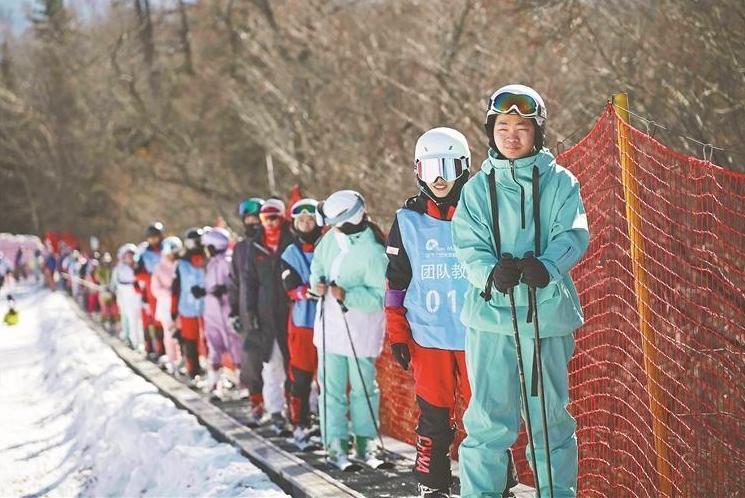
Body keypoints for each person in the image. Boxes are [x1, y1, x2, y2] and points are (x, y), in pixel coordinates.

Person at [452, 84, 589, 498]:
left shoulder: (562, 183)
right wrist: (490, 273)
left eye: (522, 128)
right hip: (491, 317)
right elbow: (467, 245)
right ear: (491, 131)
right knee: (488, 422)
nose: (511, 136)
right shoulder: (477, 189)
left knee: (549, 422)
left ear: (537, 132)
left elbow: (573, 233)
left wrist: (547, 267)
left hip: (546, 316)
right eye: (503, 127)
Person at [385, 127, 518, 497]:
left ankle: (496, 485)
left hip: (478, 332)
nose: (439, 178)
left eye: (447, 167)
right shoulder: (407, 220)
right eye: (429, 169)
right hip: (428, 335)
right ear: (418, 171)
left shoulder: (482, 212)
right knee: (434, 416)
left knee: (486, 415)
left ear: (463, 167)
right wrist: (397, 332)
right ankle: (433, 485)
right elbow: (396, 283)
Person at [310, 190, 387, 469]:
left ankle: (366, 441)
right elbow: (316, 267)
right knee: (331, 390)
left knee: (363, 390)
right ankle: (334, 443)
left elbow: (380, 297)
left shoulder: (374, 252)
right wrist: (316, 285)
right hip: (329, 329)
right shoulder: (329, 239)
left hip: (360, 331)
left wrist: (348, 295)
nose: (333, 227)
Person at [243, 198, 296, 434]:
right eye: (265, 218)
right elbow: (250, 282)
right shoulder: (256, 245)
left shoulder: (291, 240)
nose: (269, 223)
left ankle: (300, 410)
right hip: (266, 314)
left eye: (274, 217)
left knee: (296, 365)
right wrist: (250, 312)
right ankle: (275, 410)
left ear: (282, 218)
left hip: (290, 311)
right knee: (272, 364)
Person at [280, 198, 323, 448]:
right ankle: (299, 423)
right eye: (301, 220)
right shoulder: (290, 253)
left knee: (328, 377)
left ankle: (328, 425)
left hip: (328, 321)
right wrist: (306, 291)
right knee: (302, 375)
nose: (306, 224)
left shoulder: (328, 245)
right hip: (303, 321)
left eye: (310, 220)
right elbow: (290, 286)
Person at [228, 197, 267, 423]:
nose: (252, 223)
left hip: (272, 310)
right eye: (248, 219)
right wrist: (233, 311)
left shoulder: (272, 244)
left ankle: (281, 405)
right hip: (247, 313)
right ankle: (256, 401)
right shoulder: (240, 249)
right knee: (251, 359)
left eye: (256, 218)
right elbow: (234, 282)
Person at [199, 227, 243, 396]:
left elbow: (234, 283)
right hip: (211, 311)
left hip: (225, 310)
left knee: (234, 344)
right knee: (213, 345)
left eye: (207, 246)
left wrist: (224, 289)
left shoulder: (227, 261)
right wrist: (203, 291)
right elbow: (209, 284)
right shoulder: (211, 263)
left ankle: (242, 381)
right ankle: (214, 383)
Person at [173, 228, 207, 383]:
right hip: (187, 306)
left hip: (207, 305)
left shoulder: (207, 258)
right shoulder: (182, 262)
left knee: (208, 338)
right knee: (190, 339)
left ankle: (211, 369)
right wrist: (173, 310)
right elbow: (176, 287)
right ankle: (193, 369)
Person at [151, 236, 183, 374]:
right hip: (166, 305)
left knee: (182, 334)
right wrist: (169, 292)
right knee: (170, 334)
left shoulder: (181, 264)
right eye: (171, 253)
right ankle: (172, 360)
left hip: (180, 305)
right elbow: (155, 289)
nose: (173, 256)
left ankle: (183, 360)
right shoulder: (159, 268)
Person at [135, 222, 166, 360]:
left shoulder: (166, 250)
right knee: (155, 320)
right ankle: (158, 349)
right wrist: (152, 278)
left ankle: (171, 352)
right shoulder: (144, 255)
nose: (153, 240)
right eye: (150, 237)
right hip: (152, 290)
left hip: (167, 289)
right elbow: (137, 273)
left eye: (155, 237)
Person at [112, 243, 145, 351]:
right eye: (128, 256)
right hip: (127, 298)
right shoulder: (120, 268)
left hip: (138, 297)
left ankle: (142, 343)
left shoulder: (138, 267)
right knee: (132, 319)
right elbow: (118, 283)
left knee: (140, 320)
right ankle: (135, 342)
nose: (130, 258)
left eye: (132, 255)